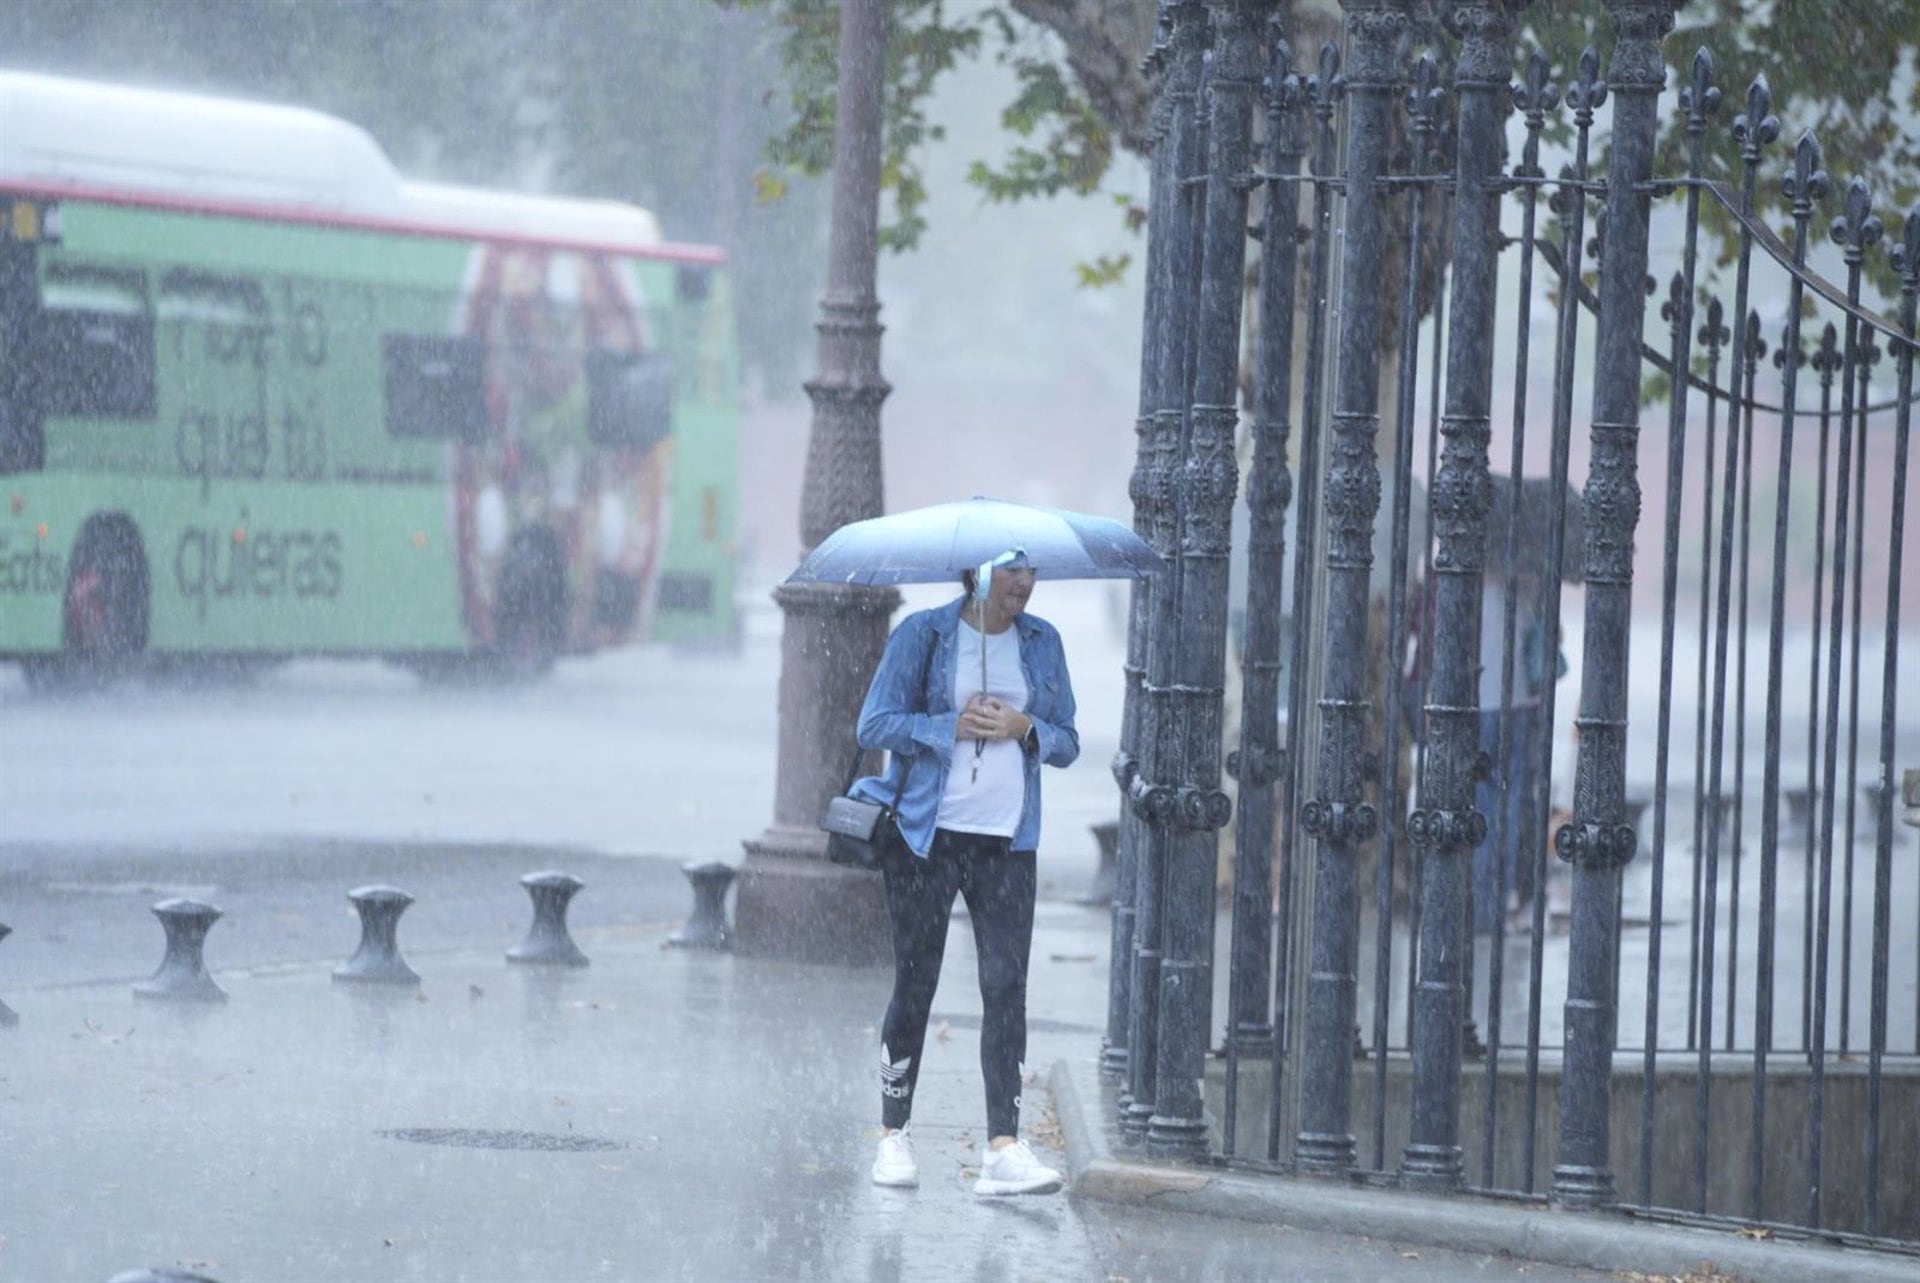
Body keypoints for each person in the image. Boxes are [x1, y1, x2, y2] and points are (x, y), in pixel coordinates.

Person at [848, 548, 1079, 1196]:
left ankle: (1003, 1147)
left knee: (1005, 987)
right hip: (927, 837)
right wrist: (946, 726)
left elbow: (1067, 740)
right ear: (976, 572)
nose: (1026, 583)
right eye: (1012, 569)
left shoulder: (1043, 642)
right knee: (914, 984)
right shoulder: (923, 634)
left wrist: (1023, 724)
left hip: (1008, 840)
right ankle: (893, 1133)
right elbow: (876, 722)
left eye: (1031, 571)